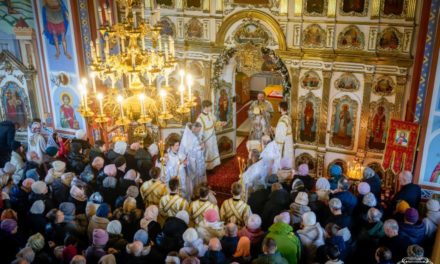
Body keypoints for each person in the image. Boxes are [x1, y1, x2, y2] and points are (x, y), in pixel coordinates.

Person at [196, 100, 226, 170]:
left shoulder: (210, 114)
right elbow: (199, 132)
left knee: (213, 150)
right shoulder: (200, 119)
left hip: (213, 137)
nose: (211, 108)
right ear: (205, 107)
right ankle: (208, 168)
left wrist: (221, 123)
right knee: (208, 153)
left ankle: (214, 165)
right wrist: (201, 141)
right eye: (210, 107)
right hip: (206, 139)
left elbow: (215, 123)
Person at [179, 122, 206, 198]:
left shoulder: (195, 135)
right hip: (192, 161)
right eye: (198, 129)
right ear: (194, 128)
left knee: (199, 176)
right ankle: (195, 191)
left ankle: (199, 190)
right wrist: (200, 147)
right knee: (194, 177)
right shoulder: (190, 137)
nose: (199, 131)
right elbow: (189, 151)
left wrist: (202, 148)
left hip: (197, 160)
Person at [274, 101, 293, 169]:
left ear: (281, 108)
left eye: (278, 107)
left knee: (283, 160)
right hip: (288, 141)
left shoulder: (283, 120)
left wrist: (274, 131)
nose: (278, 108)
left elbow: (280, 136)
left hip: (284, 143)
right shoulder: (287, 117)